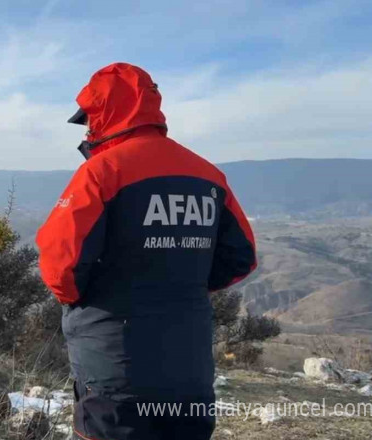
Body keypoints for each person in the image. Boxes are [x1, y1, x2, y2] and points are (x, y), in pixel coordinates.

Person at [36, 62, 257, 440]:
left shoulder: (102, 173)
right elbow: (240, 257)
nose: (88, 129)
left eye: (90, 118)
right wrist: (179, 284)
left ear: (105, 114)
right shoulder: (208, 175)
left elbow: (61, 268)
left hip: (116, 372)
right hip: (190, 372)